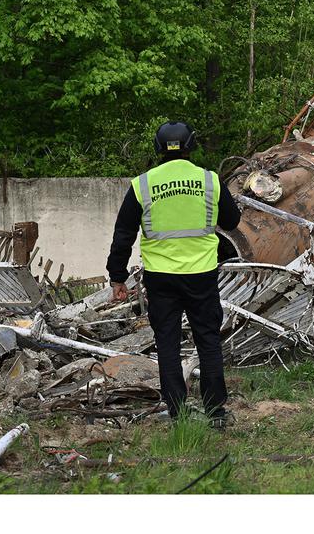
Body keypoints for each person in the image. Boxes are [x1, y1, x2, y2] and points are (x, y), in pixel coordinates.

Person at [106, 120, 241, 428]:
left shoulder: (143, 184)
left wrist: (117, 275)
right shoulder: (209, 181)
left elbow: (123, 233)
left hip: (160, 277)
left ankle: (177, 411)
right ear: (192, 145)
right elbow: (231, 222)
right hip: (202, 273)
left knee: (167, 342)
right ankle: (215, 412)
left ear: (157, 148)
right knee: (207, 339)